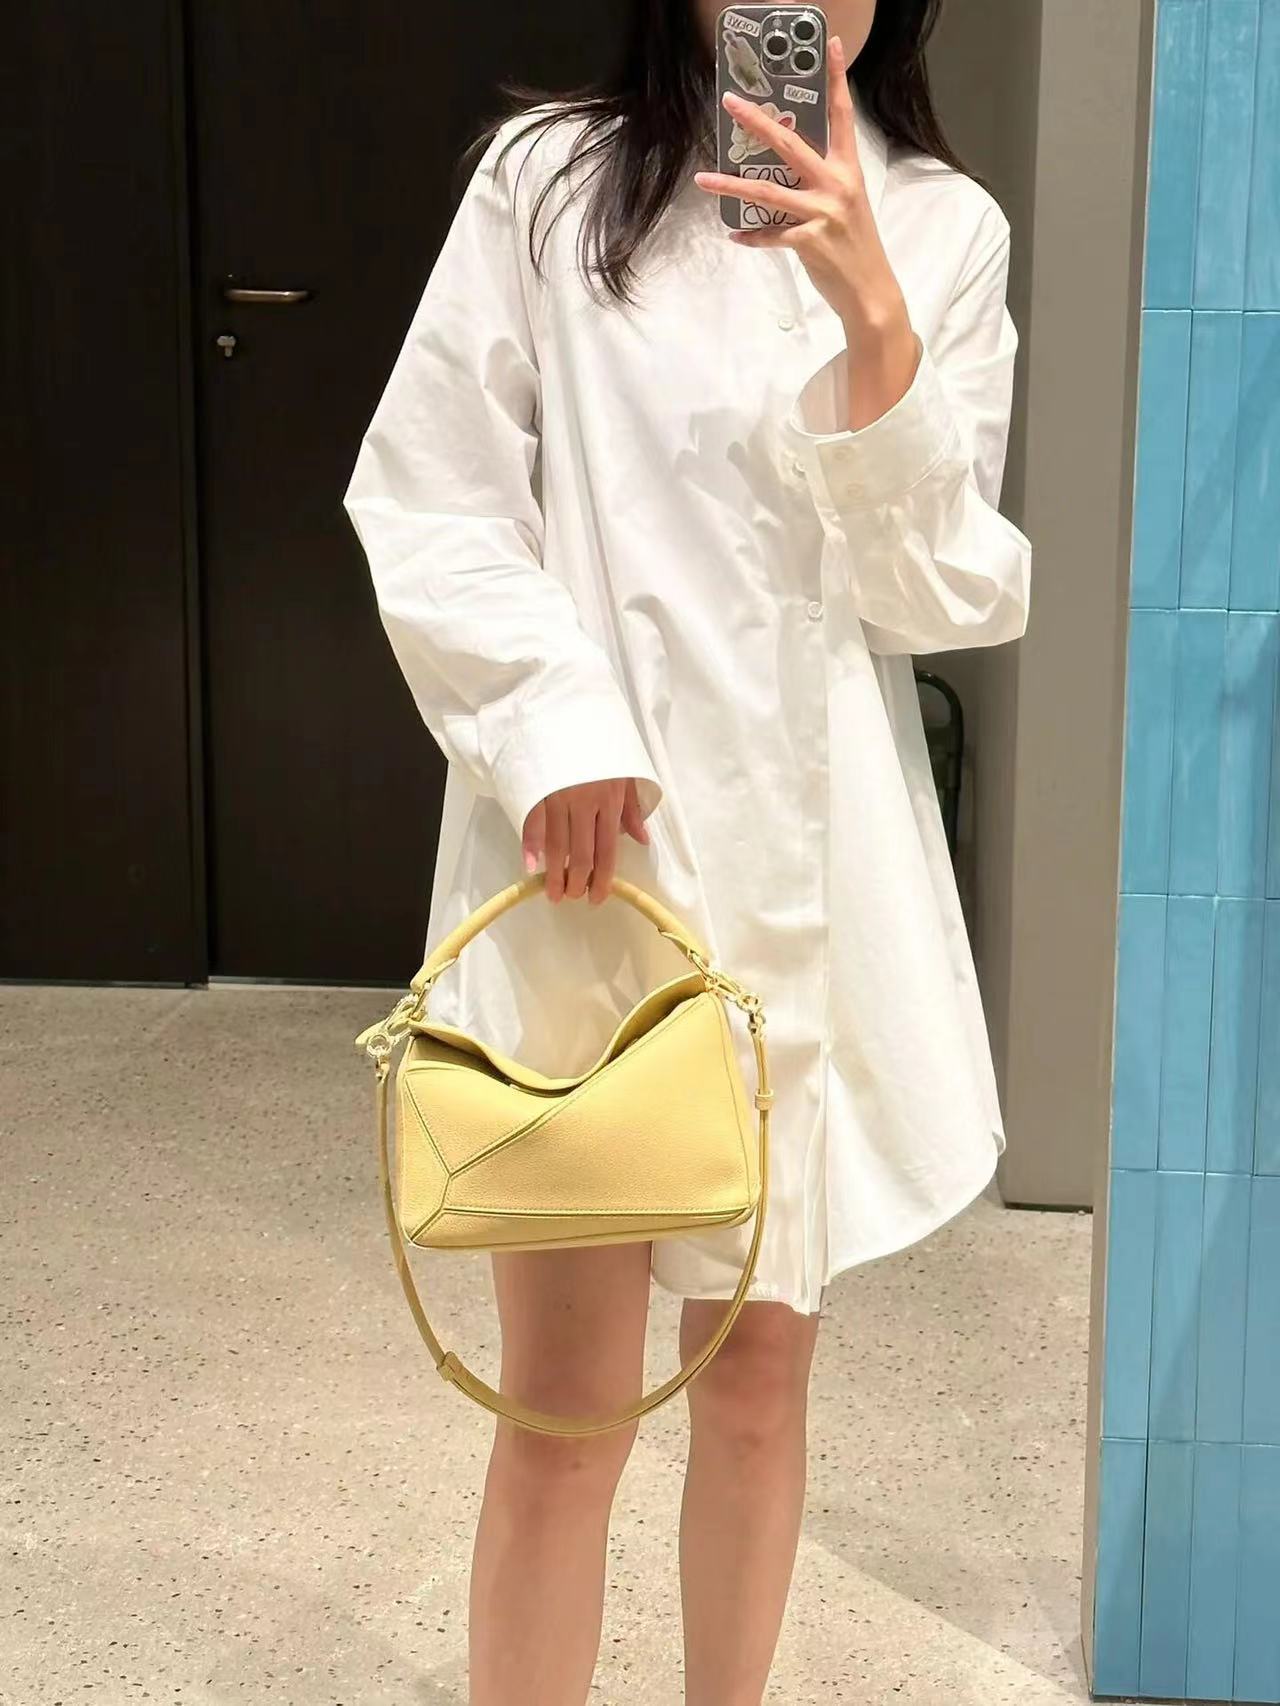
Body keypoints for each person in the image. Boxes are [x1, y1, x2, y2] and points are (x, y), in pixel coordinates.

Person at [342, 1, 1032, 1699]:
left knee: (758, 1389)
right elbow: (431, 494)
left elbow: (934, 591)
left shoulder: (941, 226)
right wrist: (551, 721)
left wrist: (873, 315)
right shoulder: (550, 181)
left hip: (813, 884)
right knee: (566, 1412)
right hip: (598, 866)